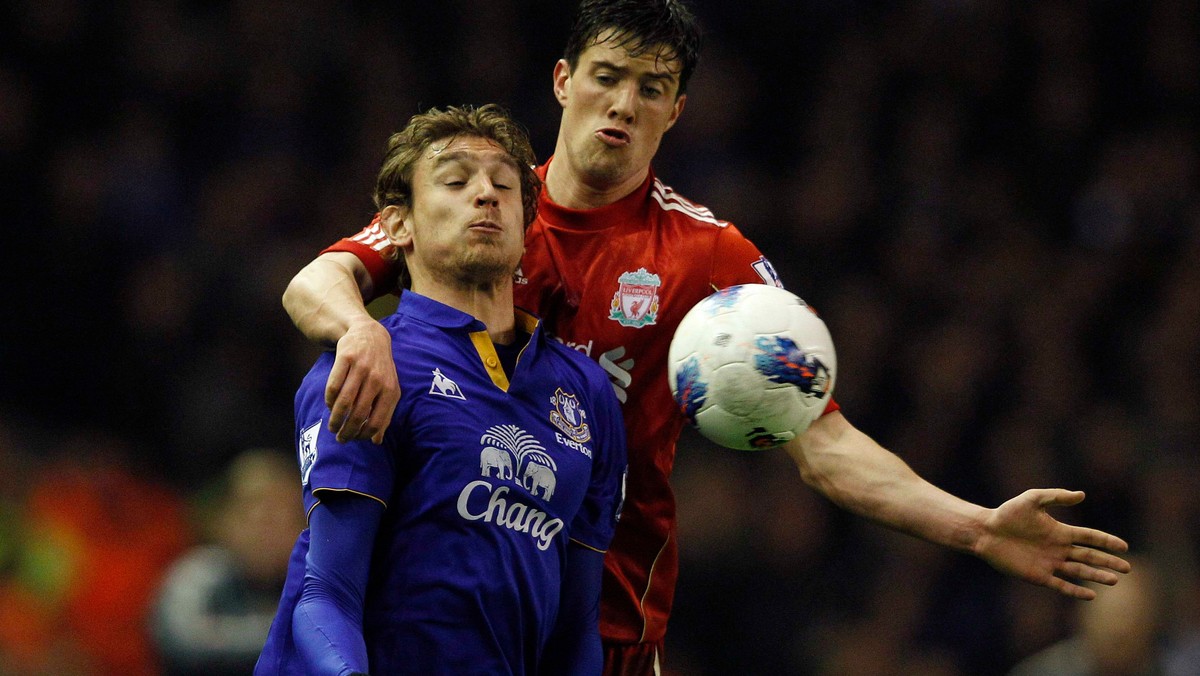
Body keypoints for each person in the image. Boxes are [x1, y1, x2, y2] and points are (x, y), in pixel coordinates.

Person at [281, 1, 1131, 673]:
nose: (623, 105)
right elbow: (318, 279)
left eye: (651, 88)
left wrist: (975, 527)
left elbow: (823, 440)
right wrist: (360, 327)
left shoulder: (709, 257)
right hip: (441, 608)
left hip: (603, 621)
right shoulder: (487, 206)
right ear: (563, 79)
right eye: (607, 77)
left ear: (678, 109)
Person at [257, 104, 627, 675]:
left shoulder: (586, 394)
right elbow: (326, 593)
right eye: (456, 181)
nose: (486, 194)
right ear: (398, 224)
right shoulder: (370, 364)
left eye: (504, 185)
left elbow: (576, 626)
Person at [152, 448, 306, 675]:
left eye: (279, 511)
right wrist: (294, 634)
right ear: (224, 519)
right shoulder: (199, 573)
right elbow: (183, 642)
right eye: (251, 507)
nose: (264, 524)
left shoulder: (317, 580)